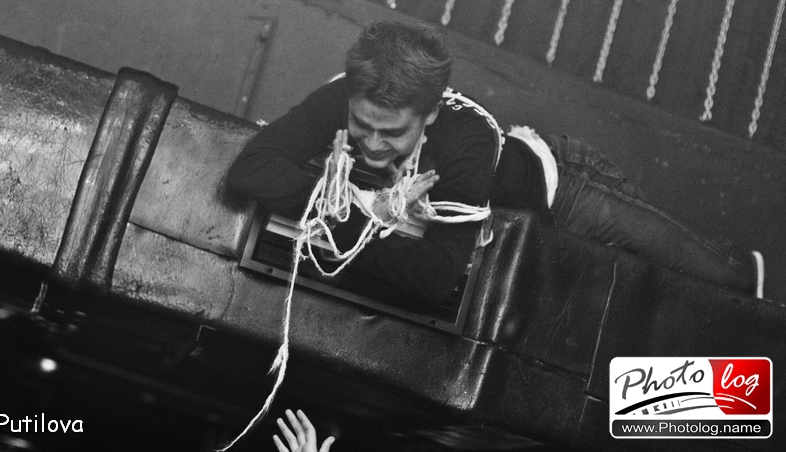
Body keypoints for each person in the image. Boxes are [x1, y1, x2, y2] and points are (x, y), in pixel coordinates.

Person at [227, 21, 762, 301]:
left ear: (431, 114)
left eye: (391, 133)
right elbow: (250, 168)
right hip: (499, 211)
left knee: (716, 277)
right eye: (362, 125)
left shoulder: (465, 140)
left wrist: (339, 211)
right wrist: (351, 206)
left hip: (564, 186)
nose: (371, 143)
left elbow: (434, 277)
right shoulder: (340, 96)